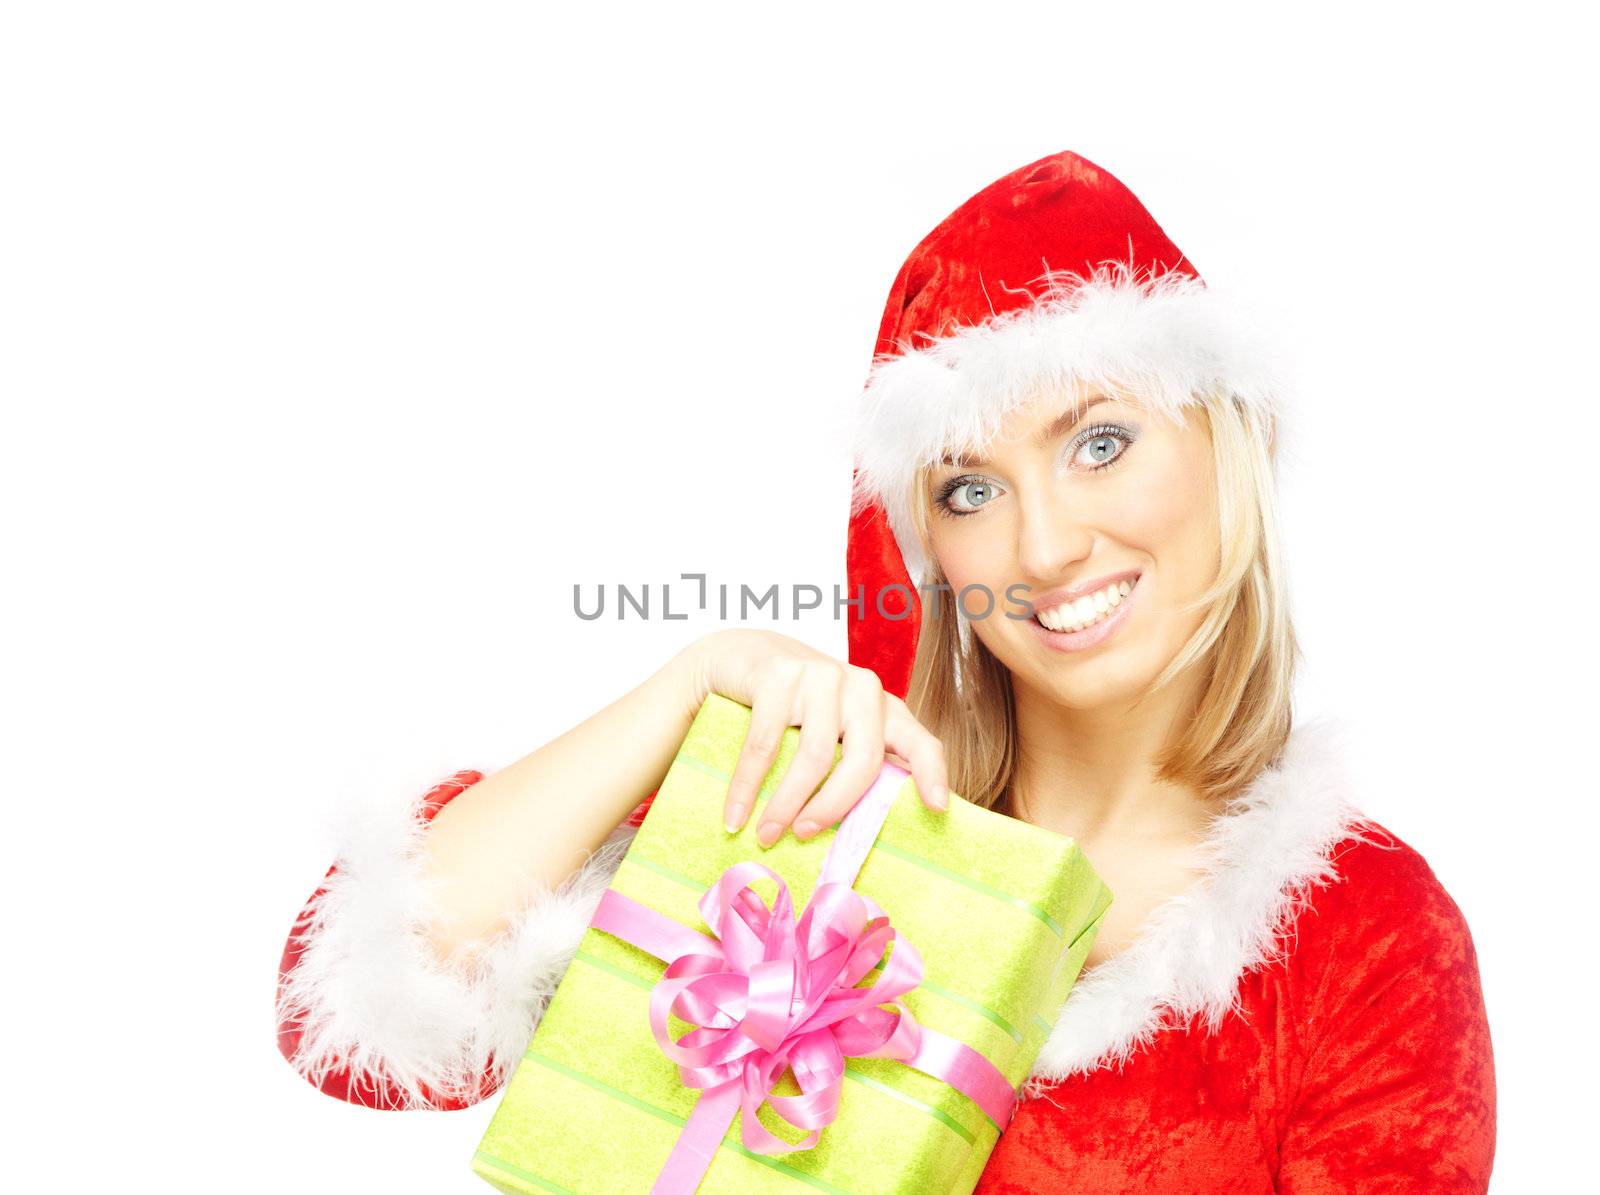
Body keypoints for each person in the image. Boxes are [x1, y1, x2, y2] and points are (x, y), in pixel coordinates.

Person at [275, 150, 1497, 1192]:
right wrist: (694, 684)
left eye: (1102, 443)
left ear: (1239, 443)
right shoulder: (808, 822)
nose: (1047, 544)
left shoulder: (1365, 943)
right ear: (925, 551)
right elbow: (346, 1017)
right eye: (970, 488)